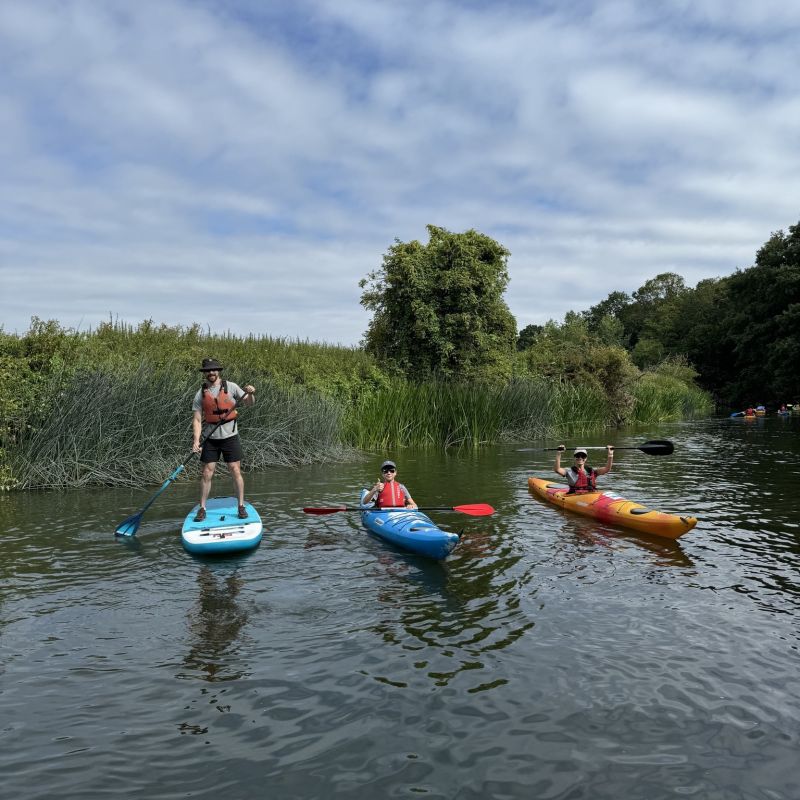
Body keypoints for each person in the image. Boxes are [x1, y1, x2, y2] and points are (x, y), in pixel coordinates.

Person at [191, 357, 255, 521]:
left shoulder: (231, 387)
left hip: (230, 437)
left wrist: (250, 393)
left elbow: (249, 403)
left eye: (213, 370)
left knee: (235, 470)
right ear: (204, 373)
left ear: (218, 371)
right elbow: (197, 420)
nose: (211, 373)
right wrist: (196, 441)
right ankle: (202, 508)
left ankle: (240, 506)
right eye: (207, 370)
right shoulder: (201, 393)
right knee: (206, 473)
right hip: (210, 438)